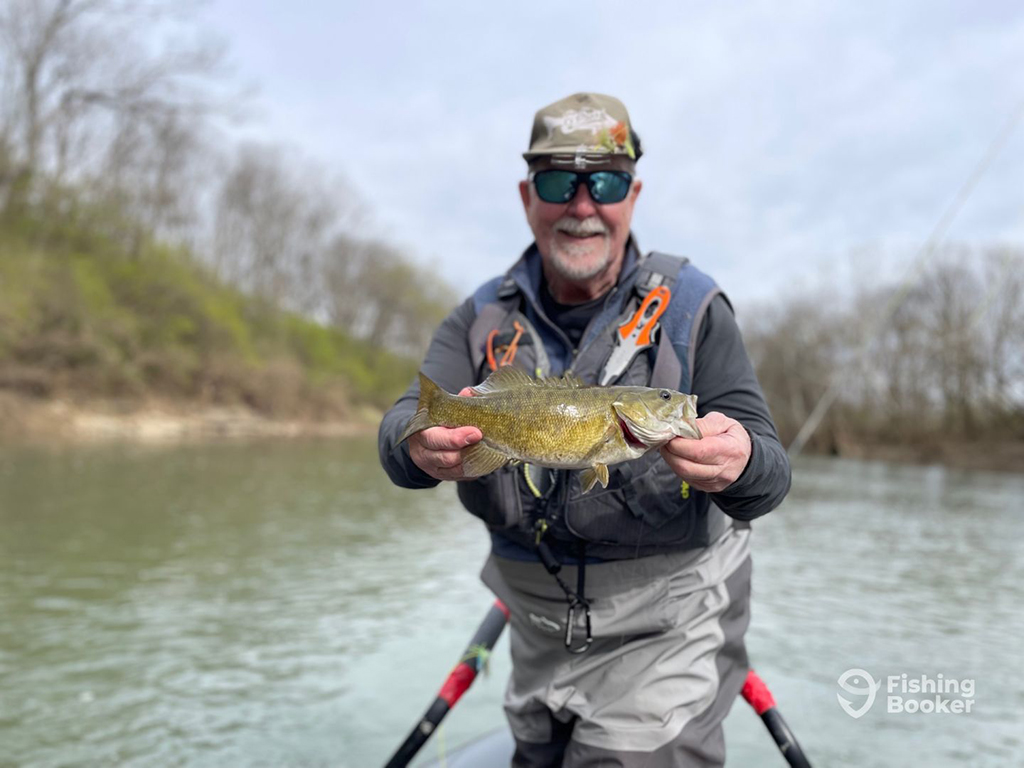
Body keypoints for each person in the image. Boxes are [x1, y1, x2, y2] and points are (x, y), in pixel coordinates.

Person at [379, 92, 791, 768]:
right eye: (556, 181)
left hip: (664, 646)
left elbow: (770, 473)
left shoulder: (696, 312)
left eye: (606, 181)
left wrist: (743, 463)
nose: (581, 204)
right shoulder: (477, 320)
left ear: (632, 194)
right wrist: (415, 445)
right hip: (536, 645)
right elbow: (402, 423)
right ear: (525, 195)